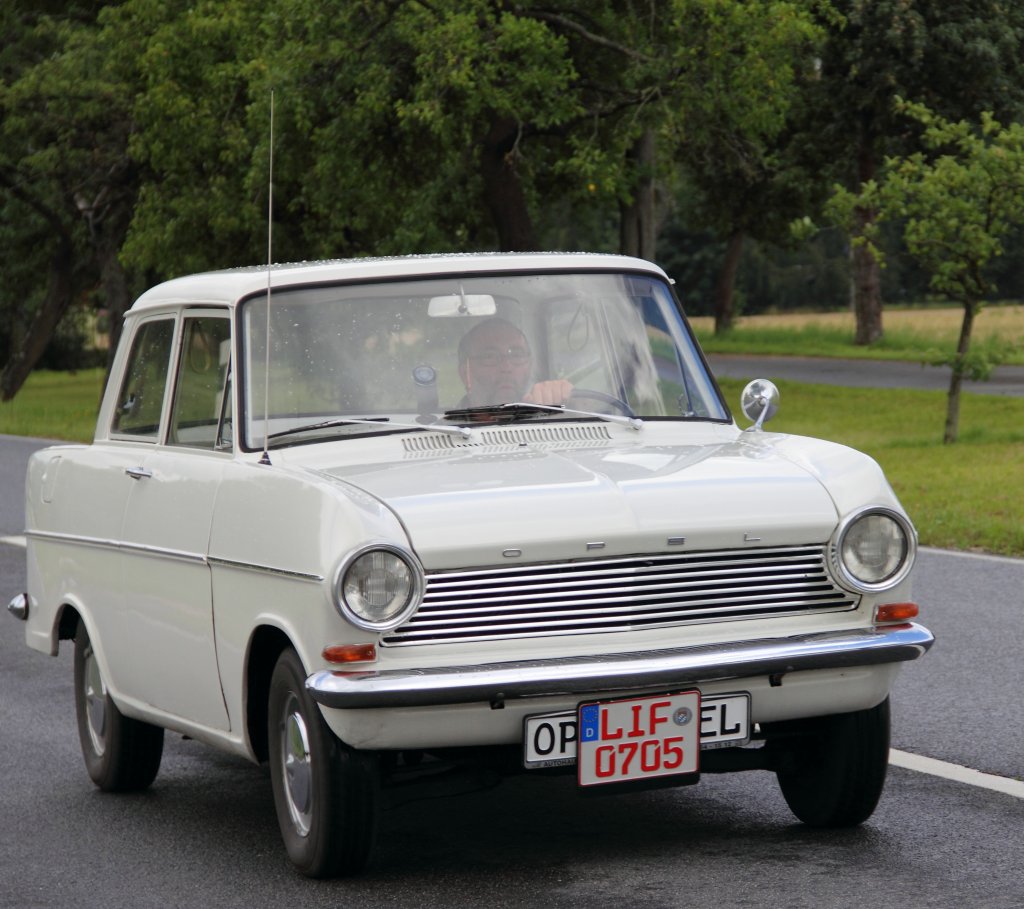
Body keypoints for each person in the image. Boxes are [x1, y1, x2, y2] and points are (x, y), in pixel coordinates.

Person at [457, 318, 573, 407]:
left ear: (530, 366)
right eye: (490, 356)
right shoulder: (449, 426)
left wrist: (569, 401)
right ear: (465, 373)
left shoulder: (553, 414)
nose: (506, 367)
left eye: (517, 355)